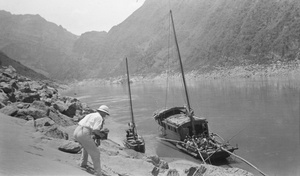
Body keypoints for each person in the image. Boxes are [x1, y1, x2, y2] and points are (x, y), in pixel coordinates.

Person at [73, 105, 110, 176]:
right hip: (84, 133)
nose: (105, 115)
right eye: (105, 113)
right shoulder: (99, 117)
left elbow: (87, 125)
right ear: (102, 112)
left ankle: (83, 164)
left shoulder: (91, 114)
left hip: (76, 131)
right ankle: (98, 173)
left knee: (85, 146)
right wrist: (100, 135)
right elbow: (96, 129)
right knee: (96, 154)